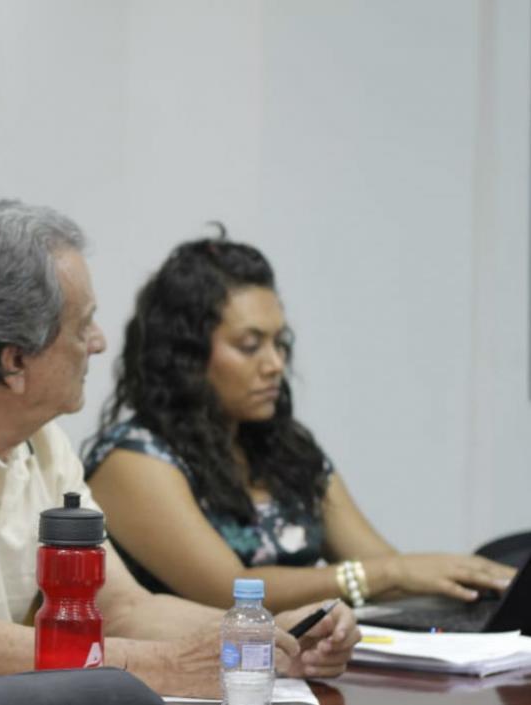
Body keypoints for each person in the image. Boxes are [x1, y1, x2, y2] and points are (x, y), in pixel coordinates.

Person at [0, 201, 359, 698]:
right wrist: (167, 667)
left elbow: (122, 608)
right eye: (83, 324)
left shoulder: (40, 439)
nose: (99, 342)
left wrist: (264, 633)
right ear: (14, 360)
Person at [82, 236, 517, 612]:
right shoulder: (132, 460)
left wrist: (472, 584)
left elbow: (384, 570)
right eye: (250, 346)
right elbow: (229, 593)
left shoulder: (283, 448)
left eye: (279, 342)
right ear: (186, 359)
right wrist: (390, 572)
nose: (275, 364)